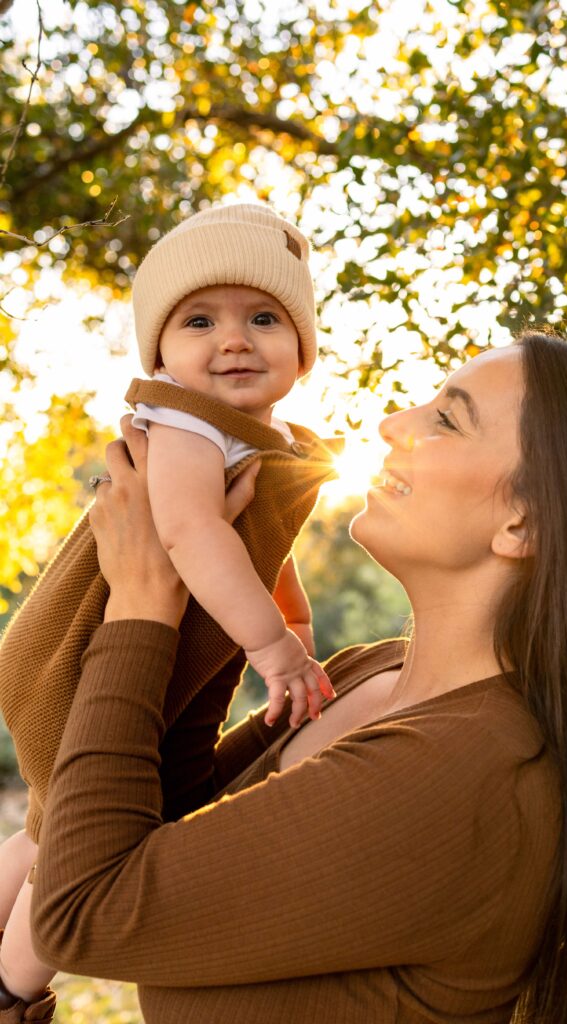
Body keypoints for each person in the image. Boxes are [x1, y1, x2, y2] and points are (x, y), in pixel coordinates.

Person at [4, 332, 567, 1024]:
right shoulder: (372, 674)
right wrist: (215, 576)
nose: (393, 424)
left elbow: (82, 908)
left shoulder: (466, 775)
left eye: (446, 418)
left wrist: (141, 603)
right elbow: (158, 808)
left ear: (521, 521)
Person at [0, 203, 340, 1012]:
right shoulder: (186, 423)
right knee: (82, 840)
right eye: (199, 321)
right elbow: (190, 531)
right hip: (83, 663)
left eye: (263, 318)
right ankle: (10, 983)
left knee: (45, 828)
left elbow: (256, 538)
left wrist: (288, 613)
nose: (233, 340)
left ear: (303, 345)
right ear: (160, 352)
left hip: (112, 665)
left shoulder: (257, 439)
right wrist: (273, 648)